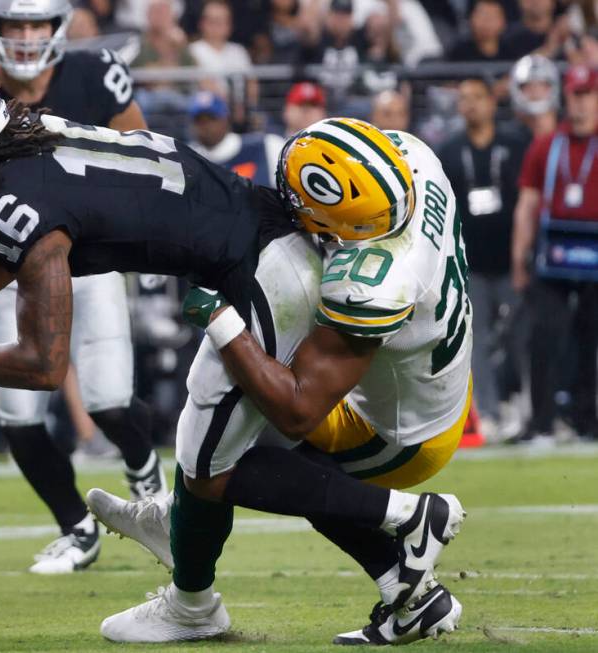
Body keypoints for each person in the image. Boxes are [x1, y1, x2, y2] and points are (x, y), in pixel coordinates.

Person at [0, 58, 467, 644]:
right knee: (221, 452)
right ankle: (406, 587)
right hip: (253, 250)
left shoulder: (17, 199)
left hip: (263, 278)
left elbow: (43, 364)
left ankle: (389, 523)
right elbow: (6, 250)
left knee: (210, 466)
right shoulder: (29, 137)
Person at [89, 120, 472, 644]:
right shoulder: (416, 157)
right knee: (230, 436)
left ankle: (407, 514)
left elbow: (298, 410)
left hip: (401, 434)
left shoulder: (372, 283)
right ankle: (412, 597)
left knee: (224, 449)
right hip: (433, 379)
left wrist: (222, 321)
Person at [0, 0, 166, 575]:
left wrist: (148, 238)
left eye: (37, 24)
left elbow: (143, 158)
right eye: (16, 25)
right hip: (3, 267)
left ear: (58, 29)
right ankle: (75, 528)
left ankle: (143, 467)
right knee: (18, 416)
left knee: (108, 400)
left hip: (89, 261)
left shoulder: (93, 75)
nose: (27, 37)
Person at [512, 65, 598, 444]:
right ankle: (542, 421)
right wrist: (518, 259)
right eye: (574, 96)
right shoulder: (547, 145)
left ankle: (587, 419)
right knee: (544, 337)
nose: (578, 105)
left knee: (590, 340)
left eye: (586, 96)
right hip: (553, 258)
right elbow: (527, 204)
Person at [438, 76, 528, 441]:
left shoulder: (515, 143)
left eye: (477, 96)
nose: (471, 104)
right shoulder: (448, 150)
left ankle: (524, 407)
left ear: (493, 101)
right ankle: (488, 413)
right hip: (471, 264)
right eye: (464, 97)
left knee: (520, 338)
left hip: (512, 261)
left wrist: (525, 256)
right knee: (476, 339)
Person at [187, 90, 283, 187]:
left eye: (211, 119)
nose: (205, 126)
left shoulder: (267, 145)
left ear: (226, 120)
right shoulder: (187, 159)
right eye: (199, 121)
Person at [508, 54, 560, 140]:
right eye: (528, 86)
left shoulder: (568, 134)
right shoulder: (510, 137)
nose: (535, 91)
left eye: (541, 85)